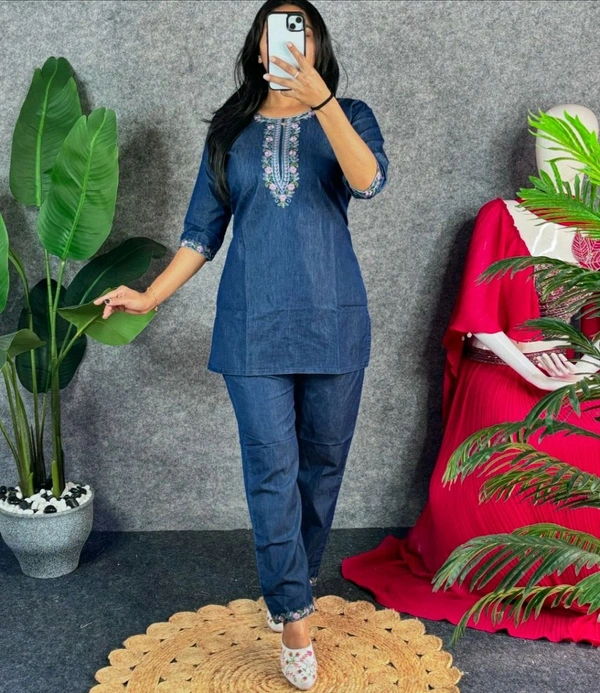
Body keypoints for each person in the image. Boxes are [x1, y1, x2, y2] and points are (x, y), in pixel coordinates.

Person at [93, 1, 389, 688]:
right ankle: (294, 615)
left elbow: (368, 180)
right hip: (252, 326)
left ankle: (291, 583)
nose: (288, 40)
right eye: (275, 29)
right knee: (270, 469)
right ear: (258, 47)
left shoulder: (350, 114)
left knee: (322, 468)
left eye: (301, 29)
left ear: (316, 45)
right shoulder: (230, 132)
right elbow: (202, 232)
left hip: (334, 323)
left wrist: (322, 102)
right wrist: (150, 295)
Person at [341, 105, 600, 646]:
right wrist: (534, 372)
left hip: (571, 373)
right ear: (536, 154)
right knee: (510, 465)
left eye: (581, 146)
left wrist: (581, 367)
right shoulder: (500, 217)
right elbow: (478, 322)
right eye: (554, 146)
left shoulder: (595, 232)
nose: (567, 160)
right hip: (500, 369)